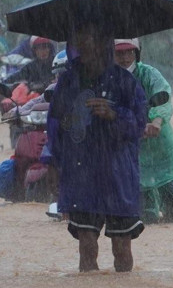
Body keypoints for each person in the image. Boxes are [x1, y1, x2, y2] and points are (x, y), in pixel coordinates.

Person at [46, 24, 147, 272]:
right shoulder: (69, 81)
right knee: (87, 246)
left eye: (91, 43)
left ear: (104, 45)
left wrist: (114, 114)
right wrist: (52, 163)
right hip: (81, 172)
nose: (86, 49)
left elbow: (139, 125)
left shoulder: (126, 81)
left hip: (118, 173)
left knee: (121, 247)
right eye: (80, 44)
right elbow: (55, 125)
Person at [113, 39, 173, 223]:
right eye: (120, 53)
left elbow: (163, 98)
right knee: (144, 214)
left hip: (161, 146)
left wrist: (156, 122)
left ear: (137, 53)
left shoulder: (149, 74)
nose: (125, 58)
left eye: (129, 52)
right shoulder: (107, 79)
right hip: (131, 151)